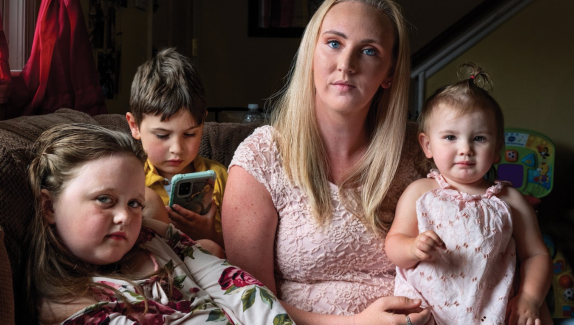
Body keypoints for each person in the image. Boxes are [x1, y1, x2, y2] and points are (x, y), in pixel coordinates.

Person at [222, 0, 433, 324]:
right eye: (334, 43)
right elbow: (248, 304)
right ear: (311, 54)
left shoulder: (423, 152)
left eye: (369, 51)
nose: (346, 64)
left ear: (389, 72)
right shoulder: (261, 158)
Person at [23, 123, 293, 324]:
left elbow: (236, 287)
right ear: (49, 206)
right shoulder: (69, 305)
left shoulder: (153, 235)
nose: (125, 217)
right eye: (104, 199)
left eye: (134, 203)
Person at [385, 63, 552, 324]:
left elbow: (536, 255)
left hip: (492, 311)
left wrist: (529, 297)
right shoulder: (420, 192)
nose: (465, 149)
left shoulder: (510, 200)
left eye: (479, 139)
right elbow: (394, 244)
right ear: (427, 145)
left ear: (497, 148)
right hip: (430, 312)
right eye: (451, 137)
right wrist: (412, 247)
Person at [126, 48, 226, 248]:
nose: (177, 149)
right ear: (134, 126)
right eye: (162, 135)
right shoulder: (130, 179)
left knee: (210, 247)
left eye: (190, 134)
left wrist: (210, 235)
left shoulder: (219, 176)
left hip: (208, 266)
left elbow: (242, 247)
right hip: (154, 265)